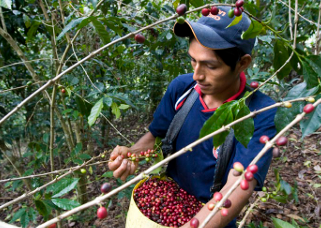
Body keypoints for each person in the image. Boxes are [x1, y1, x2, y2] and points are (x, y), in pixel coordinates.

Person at [108, 6, 276, 228]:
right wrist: (133, 155)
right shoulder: (182, 89)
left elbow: (238, 186)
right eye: (193, 61)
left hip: (213, 217)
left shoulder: (260, 113)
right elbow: (154, 136)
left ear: (242, 63)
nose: (197, 75)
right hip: (170, 196)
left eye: (210, 65)